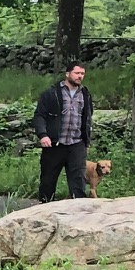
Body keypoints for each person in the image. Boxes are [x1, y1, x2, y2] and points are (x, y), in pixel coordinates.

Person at [33, 62, 94, 203]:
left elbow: (87, 117)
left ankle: (79, 212)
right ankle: (44, 208)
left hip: (77, 143)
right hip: (55, 144)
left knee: (78, 181)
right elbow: (39, 115)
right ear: (67, 74)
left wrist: (87, 141)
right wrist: (43, 135)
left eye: (82, 74)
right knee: (48, 180)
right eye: (77, 73)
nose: (80, 76)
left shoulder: (85, 94)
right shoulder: (52, 92)